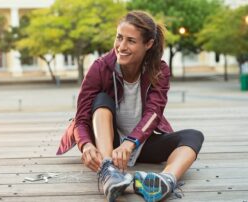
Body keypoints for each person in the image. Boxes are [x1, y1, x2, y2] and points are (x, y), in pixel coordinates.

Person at [57, 10, 204, 202]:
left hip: (139, 143)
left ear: (148, 44)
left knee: (193, 136)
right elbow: (82, 117)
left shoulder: (159, 70)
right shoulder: (100, 67)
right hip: (108, 145)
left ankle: (166, 180)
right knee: (101, 100)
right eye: (119, 38)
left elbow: (154, 113)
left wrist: (131, 142)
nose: (122, 46)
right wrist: (85, 145)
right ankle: (108, 172)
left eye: (131, 41)